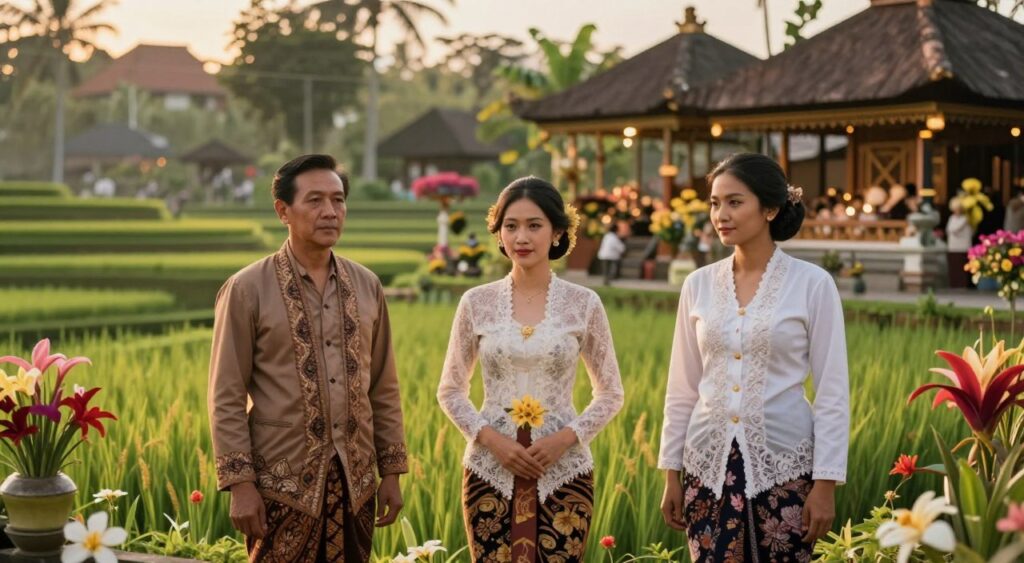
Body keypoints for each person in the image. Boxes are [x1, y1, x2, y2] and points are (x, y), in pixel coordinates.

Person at [208, 154, 408, 562]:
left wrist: (391, 472)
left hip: (356, 484)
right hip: (281, 484)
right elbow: (226, 394)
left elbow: (383, 386)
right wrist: (240, 484)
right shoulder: (246, 289)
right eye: (315, 200)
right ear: (283, 211)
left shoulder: (367, 286)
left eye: (338, 200)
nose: (330, 211)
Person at [658, 153, 849, 562]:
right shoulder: (697, 285)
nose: (721, 215)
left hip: (784, 468)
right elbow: (682, 388)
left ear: (770, 209)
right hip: (706, 468)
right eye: (714, 203)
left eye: (734, 202)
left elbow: (832, 391)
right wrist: (671, 473)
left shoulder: (813, 284)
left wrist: (826, 483)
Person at [437, 176, 624, 563]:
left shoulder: (583, 303)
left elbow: (610, 393)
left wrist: (564, 440)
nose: (521, 237)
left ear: (557, 232)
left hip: (565, 471)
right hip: (489, 470)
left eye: (534, 225)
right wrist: (493, 441)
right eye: (511, 226)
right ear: (499, 233)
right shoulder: (476, 302)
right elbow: (450, 391)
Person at [946, 197, 972, 289]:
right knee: (954, 268)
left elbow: (954, 229)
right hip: (953, 247)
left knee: (962, 268)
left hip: (963, 248)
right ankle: (954, 285)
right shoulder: (951, 218)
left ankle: (962, 285)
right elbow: (949, 230)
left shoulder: (965, 219)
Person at [597, 220, 628, 285]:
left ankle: (606, 281)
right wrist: (623, 250)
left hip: (604, 255)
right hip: (610, 256)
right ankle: (608, 281)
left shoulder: (607, 236)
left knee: (606, 270)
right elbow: (619, 247)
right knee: (610, 269)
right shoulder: (614, 237)